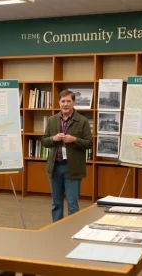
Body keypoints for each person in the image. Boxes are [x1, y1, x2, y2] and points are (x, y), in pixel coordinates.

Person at [41, 89, 92, 222]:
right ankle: (56, 229)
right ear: (59, 103)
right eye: (63, 101)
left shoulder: (82, 121)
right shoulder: (52, 120)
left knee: (72, 205)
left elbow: (89, 143)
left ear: (73, 103)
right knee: (56, 204)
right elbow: (44, 141)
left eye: (68, 101)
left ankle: (71, 230)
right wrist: (54, 138)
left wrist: (74, 140)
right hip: (55, 168)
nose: (65, 104)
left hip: (72, 168)